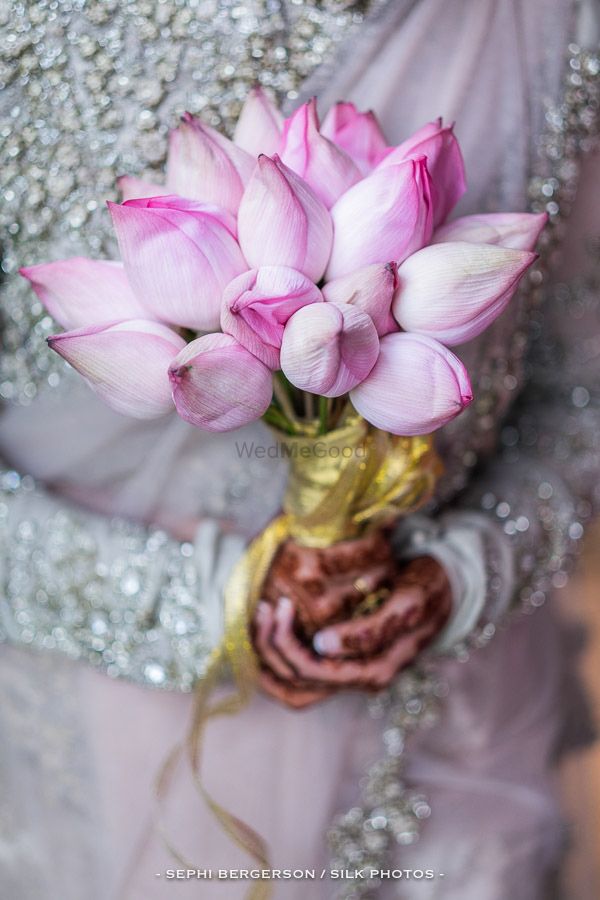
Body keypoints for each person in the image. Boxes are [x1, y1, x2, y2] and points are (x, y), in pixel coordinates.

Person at [0, 0, 599, 897]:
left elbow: (576, 394)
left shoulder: (549, 21)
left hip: (447, 740)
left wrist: (465, 572)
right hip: (106, 727)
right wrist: (207, 602)